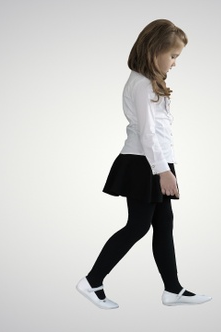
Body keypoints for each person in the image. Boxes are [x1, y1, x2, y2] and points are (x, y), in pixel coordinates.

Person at [76, 19, 211, 309]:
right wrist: (163, 171)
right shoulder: (142, 84)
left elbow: (158, 132)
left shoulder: (151, 83)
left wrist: (166, 166)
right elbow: (147, 133)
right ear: (154, 51)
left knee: (164, 224)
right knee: (138, 225)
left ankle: (172, 289)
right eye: (173, 56)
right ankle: (92, 281)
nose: (175, 63)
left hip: (154, 161)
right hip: (144, 164)